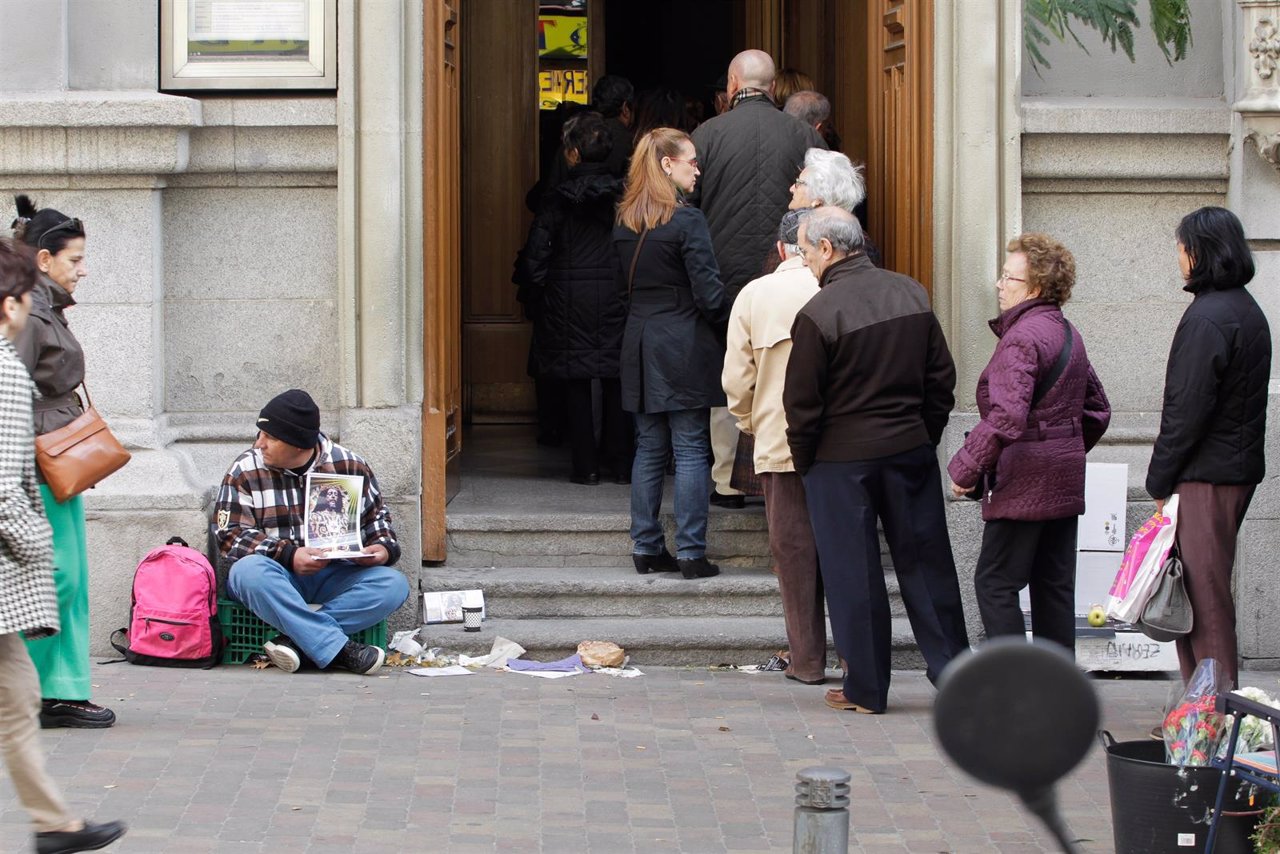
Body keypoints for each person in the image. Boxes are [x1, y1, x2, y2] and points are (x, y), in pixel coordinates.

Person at [784, 207, 969, 715]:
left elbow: (801, 407)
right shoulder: (910, 292)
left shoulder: (818, 314)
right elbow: (941, 381)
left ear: (827, 249)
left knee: (854, 574)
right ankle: (956, 675)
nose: (804, 261)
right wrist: (922, 435)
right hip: (908, 450)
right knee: (928, 566)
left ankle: (867, 688)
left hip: (840, 462)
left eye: (803, 250)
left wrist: (808, 465)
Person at [0, 238, 127, 854]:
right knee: (18, 701)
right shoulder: (4, 367)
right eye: (25, 295)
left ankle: (55, 825)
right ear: (11, 302)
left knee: (18, 701)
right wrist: (35, 547)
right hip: (15, 545)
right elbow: (2, 490)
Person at [946, 234, 1111, 653]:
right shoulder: (1067, 332)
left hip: (1023, 481)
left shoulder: (1021, 338)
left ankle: (1017, 692)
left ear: (1034, 288)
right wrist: (1062, 449)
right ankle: (1060, 701)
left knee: (995, 582)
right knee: (1053, 589)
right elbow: (1097, 411)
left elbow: (1006, 415)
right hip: (1062, 480)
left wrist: (966, 468)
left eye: (1008, 277)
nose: (1000, 285)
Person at [690, 49, 825, 509]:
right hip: (794, 270)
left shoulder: (705, 135)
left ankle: (727, 480)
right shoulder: (805, 135)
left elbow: (686, 206)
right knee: (795, 367)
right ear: (773, 88)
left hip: (722, 277)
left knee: (729, 370)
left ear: (732, 84)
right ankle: (790, 470)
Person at [1146, 206, 1271, 688]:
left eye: (1181, 247)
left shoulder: (1209, 317)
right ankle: (1200, 709)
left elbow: (1186, 409)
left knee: (1205, 598)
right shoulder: (1242, 309)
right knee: (1196, 595)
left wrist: (1158, 478)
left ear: (1198, 251)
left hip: (1207, 476)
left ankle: (1215, 716)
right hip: (1225, 471)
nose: (1178, 257)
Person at [9, 196, 115, 730]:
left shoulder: (43, 307)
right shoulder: (25, 312)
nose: (83, 269)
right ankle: (29, 688)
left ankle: (60, 691)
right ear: (43, 259)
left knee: (68, 580)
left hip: (57, 465)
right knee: (57, 578)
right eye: (74, 259)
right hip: (34, 466)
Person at [216, 389, 409, 675]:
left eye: (270, 437)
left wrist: (381, 550)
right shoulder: (245, 469)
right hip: (277, 577)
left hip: (335, 573)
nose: (260, 444)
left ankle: (296, 641)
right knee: (247, 572)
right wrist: (288, 555)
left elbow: (377, 522)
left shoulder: (349, 464)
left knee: (394, 585)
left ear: (297, 444)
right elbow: (229, 536)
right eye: (260, 434)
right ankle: (340, 649)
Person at [615, 128, 728, 580]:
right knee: (691, 447)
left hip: (639, 340)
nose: (696, 169)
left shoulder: (624, 220)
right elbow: (710, 295)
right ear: (667, 165)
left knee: (648, 448)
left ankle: (645, 548)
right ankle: (691, 552)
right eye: (691, 161)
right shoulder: (687, 221)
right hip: (681, 342)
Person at [722, 210, 827, 684]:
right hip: (839, 446)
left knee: (794, 553)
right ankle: (856, 658)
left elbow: (736, 380)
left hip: (778, 443)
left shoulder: (754, 293)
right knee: (844, 549)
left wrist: (752, 424)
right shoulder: (836, 289)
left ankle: (806, 662)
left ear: (783, 248)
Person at [516, 112, 632, 485]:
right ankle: (620, 464)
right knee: (616, 379)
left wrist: (533, 296)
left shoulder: (555, 201)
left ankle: (586, 467)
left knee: (577, 382)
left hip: (568, 301)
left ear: (572, 154)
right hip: (616, 296)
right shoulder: (625, 200)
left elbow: (537, 255)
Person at [788, 148, 878, 266]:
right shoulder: (858, 241)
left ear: (818, 200)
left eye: (798, 183)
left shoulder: (800, 238)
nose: (791, 188)